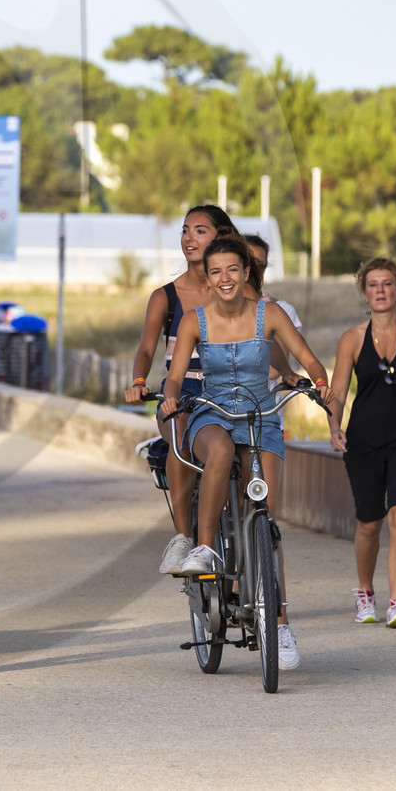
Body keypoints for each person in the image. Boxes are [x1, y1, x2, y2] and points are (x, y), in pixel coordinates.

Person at [160, 234, 331, 671]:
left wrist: (318, 382)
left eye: (233, 269)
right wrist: (170, 396)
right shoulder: (194, 321)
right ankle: (204, 548)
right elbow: (175, 376)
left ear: (246, 271)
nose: (225, 278)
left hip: (260, 414)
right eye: (216, 271)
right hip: (212, 413)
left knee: (266, 518)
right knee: (218, 451)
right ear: (207, 277)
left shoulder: (269, 314)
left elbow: (308, 359)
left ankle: (280, 623)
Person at [326, 257, 396, 629]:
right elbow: (338, 390)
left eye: (387, 284)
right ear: (365, 292)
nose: (380, 290)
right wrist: (333, 425)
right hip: (364, 440)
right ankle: (365, 593)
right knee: (369, 523)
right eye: (373, 284)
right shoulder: (352, 338)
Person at [126, 204, 239, 575]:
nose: (189, 238)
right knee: (180, 432)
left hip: (229, 391)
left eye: (200, 231)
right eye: (185, 230)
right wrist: (139, 382)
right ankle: (182, 538)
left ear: (220, 236)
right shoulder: (166, 297)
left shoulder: (233, 289)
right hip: (182, 392)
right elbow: (146, 348)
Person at [245, 234, 305, 446]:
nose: (253, 270)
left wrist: (265, 316)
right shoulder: (216, 312)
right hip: (225, 416)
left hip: (266, 418)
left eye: (260, 265)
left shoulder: (282, 309)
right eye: (248, 263)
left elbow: (273, 371)